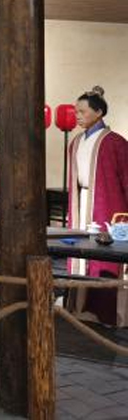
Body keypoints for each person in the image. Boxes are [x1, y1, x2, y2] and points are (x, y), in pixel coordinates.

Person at [65, 86, 128, 327]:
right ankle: (79, 307)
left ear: (99, 112)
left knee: (105, 259)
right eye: (76, 112)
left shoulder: (116, 142)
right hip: (81, 203)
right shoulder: (76, 142)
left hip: (108, 205)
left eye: (82, 111)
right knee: (79, 254)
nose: (77, 116)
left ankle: (105, 312)